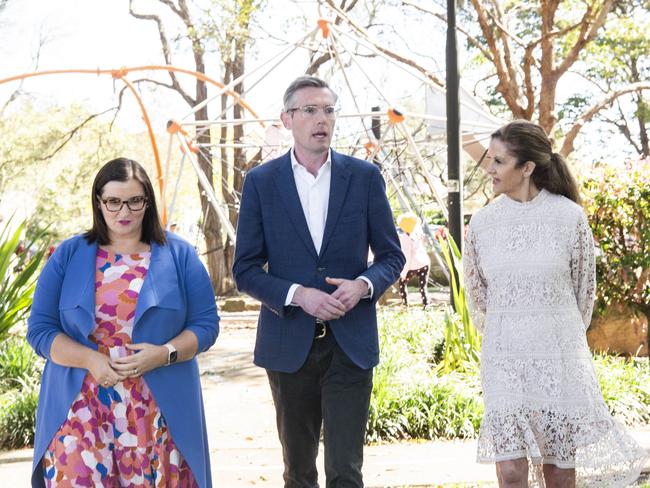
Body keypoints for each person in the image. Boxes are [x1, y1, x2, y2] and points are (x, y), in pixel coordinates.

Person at [233, 75, 405, 487]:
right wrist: (298, 295)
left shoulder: (364, 177)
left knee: (346, 471)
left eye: (328, 110)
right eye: (309, 110)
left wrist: (363, 285)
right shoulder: (261, 182)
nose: (321, 119)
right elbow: (246, 269)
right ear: (287, 119)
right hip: (288, 344)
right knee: (298, 472)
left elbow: (391, 256)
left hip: (351, 344)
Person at [464, 120, 647, 487]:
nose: (490, 169)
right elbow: (478, 295)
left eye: (499, 161)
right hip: (505, 361)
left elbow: (584, 293)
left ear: (527, 167)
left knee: (559, 470)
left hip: (558, 359)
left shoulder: (569, 217)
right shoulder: (481, 224)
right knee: (511, 470)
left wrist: (553, 335)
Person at [27, 158, 219, 488]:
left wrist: (164, 353)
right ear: (98, 203)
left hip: (157, 414)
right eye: (113, 201)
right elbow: (40, 331)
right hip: (80, 413)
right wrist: (90, 360)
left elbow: (206, 325)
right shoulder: (68, 255)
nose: (123, 211)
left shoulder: (180, 255)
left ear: (148, 202)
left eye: (134, 200)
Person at [396, 212, 430, 308]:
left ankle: (405, 304)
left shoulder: (405, 238)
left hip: (413, 265)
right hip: (424, 263)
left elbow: (406, 257)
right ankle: (426, 304)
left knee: (402, 283)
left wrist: (403, 273)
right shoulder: (417, 234)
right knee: (423, 286)